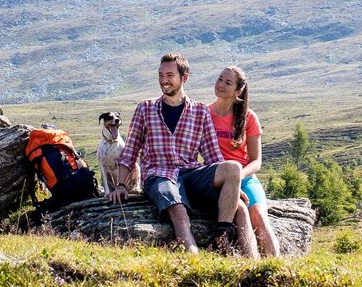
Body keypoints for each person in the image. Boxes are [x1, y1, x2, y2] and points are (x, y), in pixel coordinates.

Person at [110, 53, 257, 257]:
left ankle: (241, 252)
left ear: (184, 78)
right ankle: (193, 256)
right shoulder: (145, 108)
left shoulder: (200, 112)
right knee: (178, 208)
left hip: (190, 174)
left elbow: (214, 156)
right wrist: (120, 185)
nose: (164, 80)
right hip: (159, 175)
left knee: (237, 191)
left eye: (170, 75)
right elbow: (130, 151)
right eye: (161, 75)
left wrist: (231, 186)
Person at [209, 66, 281, 257]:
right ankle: (252, 265)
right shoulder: (205, 114)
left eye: (228, 83)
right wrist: (229, 182)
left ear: (238, 91)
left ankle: (277, 267)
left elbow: (256, 161)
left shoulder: (249, 117)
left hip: (246, 177)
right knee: (240, 210)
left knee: (259, 216)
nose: (221, 85)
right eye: (220, 79)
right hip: (216, 177)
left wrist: (237, 178)